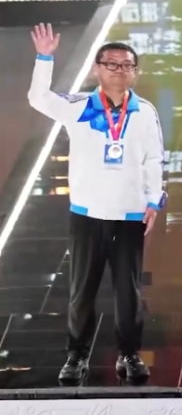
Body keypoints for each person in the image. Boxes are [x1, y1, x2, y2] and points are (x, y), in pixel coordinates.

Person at [28, 24, 166, 386]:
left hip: (130, 216)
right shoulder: (78, 107)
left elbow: (154, 159)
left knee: (128, 293)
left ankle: (129, 354)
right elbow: (39, 98)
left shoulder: (145, 112)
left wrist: (153, 200)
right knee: (82, 292)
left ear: (136, 72)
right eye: (112, 64)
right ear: (97, 69)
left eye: (127, 65)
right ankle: (76, 356)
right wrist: (45, 58)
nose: (120, 70)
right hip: (87, 215)